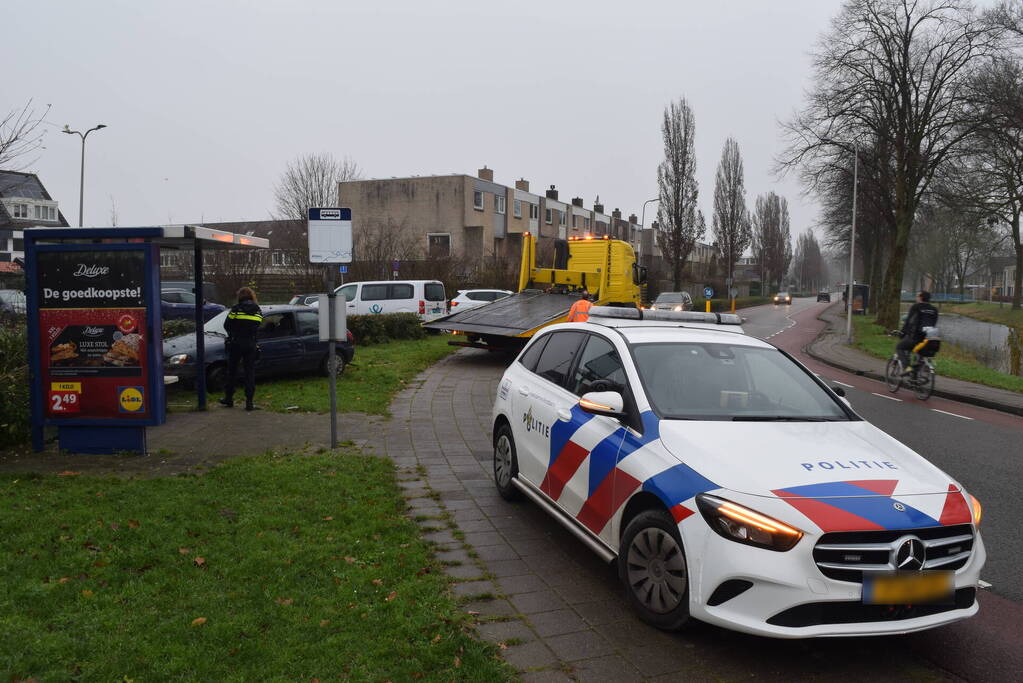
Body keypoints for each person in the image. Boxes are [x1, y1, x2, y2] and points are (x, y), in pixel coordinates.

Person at [220, 286, 263, 410]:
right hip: (250, 344)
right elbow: (258, 324)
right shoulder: (257, 310)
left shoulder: (236, 309)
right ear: (252, 296)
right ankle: (249, 403)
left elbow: (226, 325)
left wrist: (234, 333)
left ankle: (229, 399)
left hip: (236, 343)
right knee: (249, 373)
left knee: (232, 371)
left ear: (240, 297)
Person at [896, 290, 938, 376]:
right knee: (919, 354)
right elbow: (933, 324)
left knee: (899, 347)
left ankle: (907, 368)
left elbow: (908, 322)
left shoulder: (916, 307)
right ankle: (917, 375)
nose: (916, 298)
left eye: (917, 296)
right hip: (929, 339)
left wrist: (902, 333)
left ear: (921, 298)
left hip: (916, 338)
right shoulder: (934, 309)